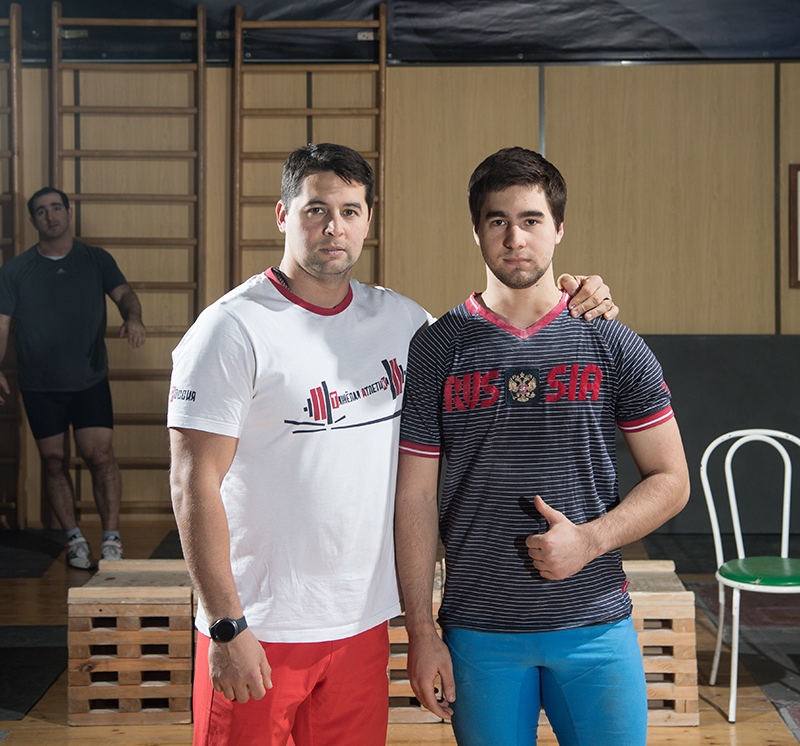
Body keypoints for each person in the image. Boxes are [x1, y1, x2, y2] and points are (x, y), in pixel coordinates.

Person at [166, 142, 617, 746]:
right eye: (316, 210)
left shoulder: (403, 324)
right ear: (282, 215)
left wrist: (579, 295)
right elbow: (192, 483)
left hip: (362, 626)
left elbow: (499, 323)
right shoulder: (231, 328)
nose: (334, 227)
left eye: (350, 211)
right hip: (262, 628)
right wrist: (226, 624)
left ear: (368, 221)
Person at [395, 146, 690, 746]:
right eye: (497, 221)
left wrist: (591, 540)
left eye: (531, 220)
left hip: (594, 625)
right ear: (476, 231)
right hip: (479, 631)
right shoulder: (436, 348)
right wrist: (421, 632)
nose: (515, 238)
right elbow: (415, 498)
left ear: (559, 229)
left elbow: (672, 480)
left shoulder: (611, 342)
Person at [0, 187, 146, 569]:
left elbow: (125, 295)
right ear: (33, 220)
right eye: (41, 211)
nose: (50, 216)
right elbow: (1, 325)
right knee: (53, 461)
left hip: (89, 380)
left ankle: (111, 539)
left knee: (100, 457)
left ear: (68, 213)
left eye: (56, 208)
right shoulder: (15, 271)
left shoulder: (96, 260)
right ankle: (75, 539)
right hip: (39, 385)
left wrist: (133, 318)